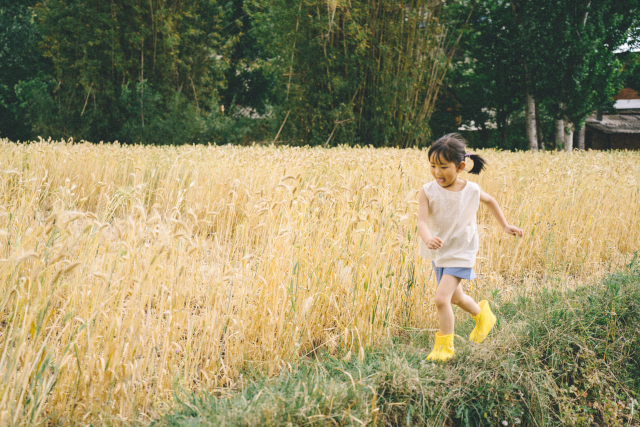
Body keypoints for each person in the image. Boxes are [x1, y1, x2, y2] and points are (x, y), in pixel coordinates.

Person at [417, 133, 523, 361]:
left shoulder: (471, 190)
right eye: (433, 166)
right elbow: (422, 222)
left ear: (460, 166)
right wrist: (427, 238)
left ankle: (445, 349)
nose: (437, 172)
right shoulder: (427, 191)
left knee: (441, 299)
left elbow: (491, 201)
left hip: (462, 250)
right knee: (455, 299)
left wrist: (505, 226)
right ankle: (484, 317)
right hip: (440, 252)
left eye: (443, 167)